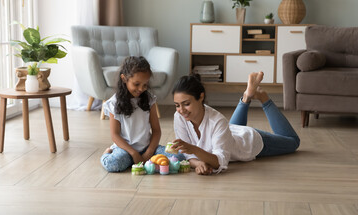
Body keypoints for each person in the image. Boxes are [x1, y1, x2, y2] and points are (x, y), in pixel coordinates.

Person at [171, 71, 300, 175]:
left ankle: (262, 97)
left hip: (247, 142)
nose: (181, 110)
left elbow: (220, 162)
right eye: (177, 105)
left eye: (186, 104)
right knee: (227, 131)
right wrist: (198, 163)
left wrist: (193, 149)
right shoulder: (179, 116)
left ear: (201, 97)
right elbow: (187, 154)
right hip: (230, 134)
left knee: (293, 142)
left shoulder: (217, 121)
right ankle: (247, 96)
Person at [100, 56, 184, 172]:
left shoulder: (149, 100)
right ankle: (107, 154)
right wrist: (134, 153)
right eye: (136, 84)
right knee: (113, 164)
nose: (141, 88)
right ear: (124, 79)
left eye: (145, 85)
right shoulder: (113, 103)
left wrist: (148, 153)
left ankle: (138, 162)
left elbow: (156, 131)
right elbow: (115, 135)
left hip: (148, 148)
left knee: (178, 157)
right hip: (125, 150)